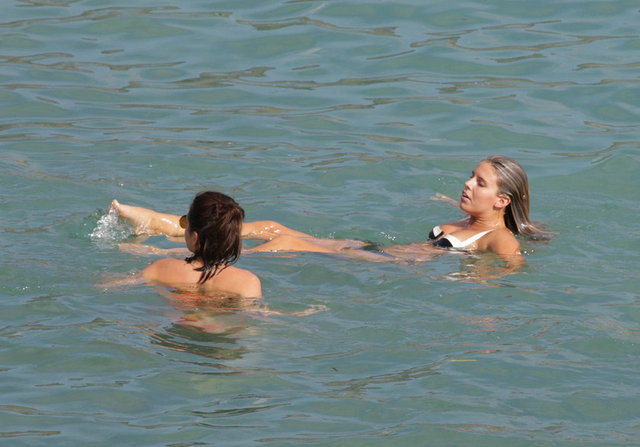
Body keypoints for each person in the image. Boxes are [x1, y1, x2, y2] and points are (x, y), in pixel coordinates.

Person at [112, 155, 544, 269]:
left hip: (386, 264)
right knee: (274, 227)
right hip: (372, 249)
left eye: (480, 183)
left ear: (502, 201)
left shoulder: (496, 237)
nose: (467, 184)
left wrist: (486, 282)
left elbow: (512, 266)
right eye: (470, 176)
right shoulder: (468, 221)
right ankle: (167, 226)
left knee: (286, 243)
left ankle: (171, 255)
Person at [111, 191, 262, 298]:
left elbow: (114, 285)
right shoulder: (247, 282)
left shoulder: (161, 268)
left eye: (185, 223)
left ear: (195, 237)